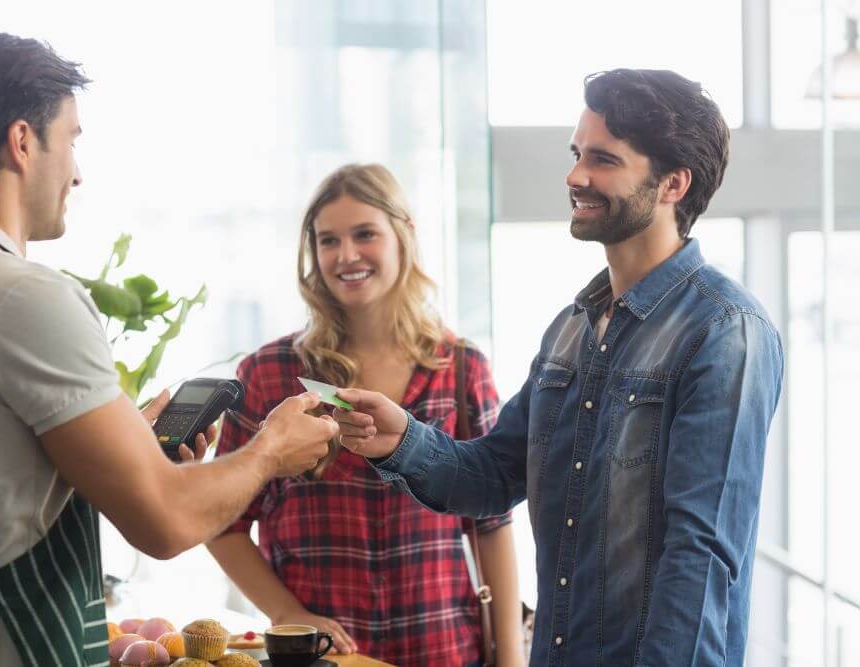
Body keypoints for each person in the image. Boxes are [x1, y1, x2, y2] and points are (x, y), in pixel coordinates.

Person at [0, 31, 337, 666]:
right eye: (73, 139)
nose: (77, 172)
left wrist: (117, 446)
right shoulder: (25, 296)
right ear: (23, 141)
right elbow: (163, 521)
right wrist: (270, 451)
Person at [332, 70, 784, 666]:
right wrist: (403, 440)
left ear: (673, 183)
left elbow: (700, 556)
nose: (575, 176)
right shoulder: (572, 328)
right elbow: (494, 475)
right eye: (577, 155)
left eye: (602, 159)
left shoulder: (726, 331)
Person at [207, 164, 524, 666]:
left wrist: (510, 660)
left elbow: (493, 525)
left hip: (444, 650)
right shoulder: (270, 373)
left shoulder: (461, 368)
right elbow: (221, 522)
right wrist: (288, 613)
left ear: (404, 236)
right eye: (328, 240)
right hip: (324, 657)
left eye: (365, 234)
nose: (346, 255)